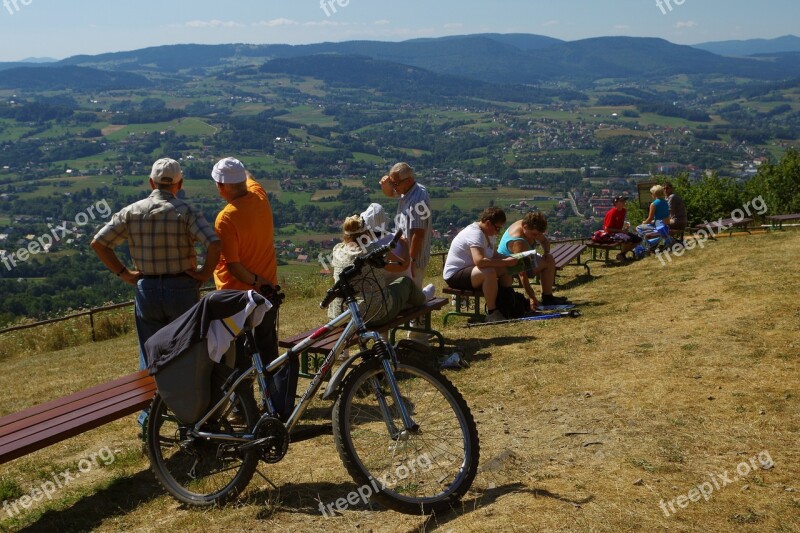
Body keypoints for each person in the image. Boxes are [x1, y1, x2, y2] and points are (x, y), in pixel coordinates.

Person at [91, 157, 221, 429]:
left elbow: (99, 243)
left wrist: (125, 274)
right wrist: (203, 274)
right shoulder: (186, 211)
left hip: (146, 289)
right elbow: (214, 243)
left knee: (149, 357)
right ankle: (194, 421)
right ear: (180, 184)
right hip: (182, 288)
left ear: (150, 182)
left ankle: (148, 421)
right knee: (188, 355)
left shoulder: (132, 211)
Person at [211, 157, 296, 421]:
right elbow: (247, 175)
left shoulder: (225, 219)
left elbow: (235, 267)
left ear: (220, 186)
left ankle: (242, 410)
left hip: (237, 297)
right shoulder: (260, 196)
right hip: (267, 294)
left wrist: (256, 280)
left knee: (238, 358)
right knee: (268, 348)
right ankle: (274, 402)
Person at [327, 214, 429, 326]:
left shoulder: (337, 250)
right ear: (366, 233)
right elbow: (403, 265)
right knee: (406, 282)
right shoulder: (373, 250)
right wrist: (405, 246)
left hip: (341, 315)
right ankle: (423, 298)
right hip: (374, 314)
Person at [379, 163, 432, 341]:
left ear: (408, 180)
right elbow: (390, 193)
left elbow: (418, 233)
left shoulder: (419, 198)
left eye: (396, 183)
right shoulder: (407, 191)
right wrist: (387, 186)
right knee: (405, 297)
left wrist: (411, 261)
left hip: (412, 258)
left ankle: (418, 339)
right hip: (403, 256)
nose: (394, 187)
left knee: (415, 300)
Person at [443, 207, 517, 323]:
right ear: (488, 223)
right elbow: (480, 261)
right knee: (489, 271)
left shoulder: (488, 233)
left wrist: (512, 260)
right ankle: (492, 312)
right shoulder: (475, 233)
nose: (498, 232)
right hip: (455, 274)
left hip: (472, 271)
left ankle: (506, 303)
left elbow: (494, 255)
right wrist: (506, 261)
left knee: (505, 269)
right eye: (497, 228)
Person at [497, 212, 569, 308]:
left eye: (539, 234)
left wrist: (546, 253)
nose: (536, 237)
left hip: (526, 257)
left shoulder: (529, 227)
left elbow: (544, 241)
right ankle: (544, 299)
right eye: (534, 234)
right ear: (525, 227)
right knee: (546, 262)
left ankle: (547, 297)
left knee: (549, 259)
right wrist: (532, 297)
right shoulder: (518, 242)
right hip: (510, 268)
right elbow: (522, 273)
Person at [602, 196, 642, 261]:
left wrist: (625, 227)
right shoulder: (612, 213)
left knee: (638, 240)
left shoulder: (623, 211)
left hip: (619, 232)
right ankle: (622, 255)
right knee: (627, 240)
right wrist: (621, 231)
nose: (624, 202)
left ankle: (622, 254)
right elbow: (607, 228)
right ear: (616, 203)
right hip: (611, 234)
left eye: (624, 201)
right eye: (621, 201)